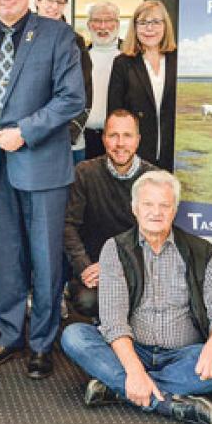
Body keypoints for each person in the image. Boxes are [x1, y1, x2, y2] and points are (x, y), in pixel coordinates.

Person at [0, 0, 85, 379]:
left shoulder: (57, 35)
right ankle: (10, 336)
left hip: (42, 166)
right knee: (8, 260)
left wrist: (25, 132)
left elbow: (71, 99)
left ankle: (42, 344)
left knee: (46, 260)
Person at [61, 171, 212, 424]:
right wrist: (135, 370)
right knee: (74, 337)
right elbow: (113, 322)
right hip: (132, 349)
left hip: (184, 355)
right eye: (148, 204)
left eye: (164, 205)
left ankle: (119, 388)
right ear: (135, 208)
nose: (156, 212)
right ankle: (166, 401)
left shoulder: (202, 252)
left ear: (175, 210)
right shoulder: (115, 249)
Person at [63, 109, 157, 320]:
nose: (120, 143)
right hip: (95, 269)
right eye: (113, 135)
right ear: (104, 138)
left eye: (127, 136)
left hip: (138, 269)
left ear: (138, 140)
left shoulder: (154, 179)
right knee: (87, 301)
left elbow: (158, 238)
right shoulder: (85, 173)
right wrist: (84, 267)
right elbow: (69, 226)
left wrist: (116, 266)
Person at [106, 0, 177, 171]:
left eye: (155, 22)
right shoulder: (122, 63)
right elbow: (115, 113)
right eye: (143, 23)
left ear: (165, 26)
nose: (149, 28)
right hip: (136, 156)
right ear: (135, 28)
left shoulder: (180, 60)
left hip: (173, 153)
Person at [34, 0, 93, 163]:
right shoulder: (20, 37)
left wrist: (70, 133)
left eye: (60, 2)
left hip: (66, 140)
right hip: (29, 136)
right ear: (37, 0)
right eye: (49, 0)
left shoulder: (75, 40)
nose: (54, 7)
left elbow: (85, 90)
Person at [83, 2, 122, 160]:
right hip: (84, 139)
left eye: (108, 20)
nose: (102, 26)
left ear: (117, 24)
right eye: (97, 21)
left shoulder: (130, 57)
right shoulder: (79, 57)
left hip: (118, 140)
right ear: (89, 25)